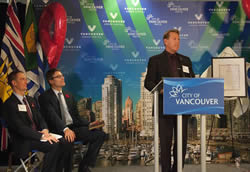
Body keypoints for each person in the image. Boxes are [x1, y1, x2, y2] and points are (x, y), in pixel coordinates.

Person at [144, 29, 195, 172]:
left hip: (183, 107)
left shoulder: (186, 60)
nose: (177, 42)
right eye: (174, 39)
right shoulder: (155, 60)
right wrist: (161, 90)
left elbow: (192, 81)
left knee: (182, 143)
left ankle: (177, 169)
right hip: (164, 107)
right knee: (165, 144)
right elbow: (148, 82)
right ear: (165, 41)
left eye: (179, 39)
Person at [38, 68, 106, 172]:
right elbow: (53, 116)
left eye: (62, 76)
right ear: (51, 81)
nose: (62, 78)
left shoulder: (69, 96)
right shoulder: (45, 97)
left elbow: (76, 117)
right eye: (58, 76)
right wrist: (65, 129)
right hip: (57, 130)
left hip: (73, 129)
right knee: (68, 141)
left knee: (99, 135)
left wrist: (90, 124)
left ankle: (84, 166)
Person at [3, 70, 70, 172]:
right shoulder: (9, 104)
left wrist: (45, 130)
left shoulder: (31, 100)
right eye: (22, 79)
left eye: (26, 79)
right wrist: (42, 136)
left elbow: (40, 118)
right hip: (23, 140)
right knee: (54, 145)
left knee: (64, 142)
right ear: (14, 83)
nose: (26, 81)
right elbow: (20, 128)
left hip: (38, 136)